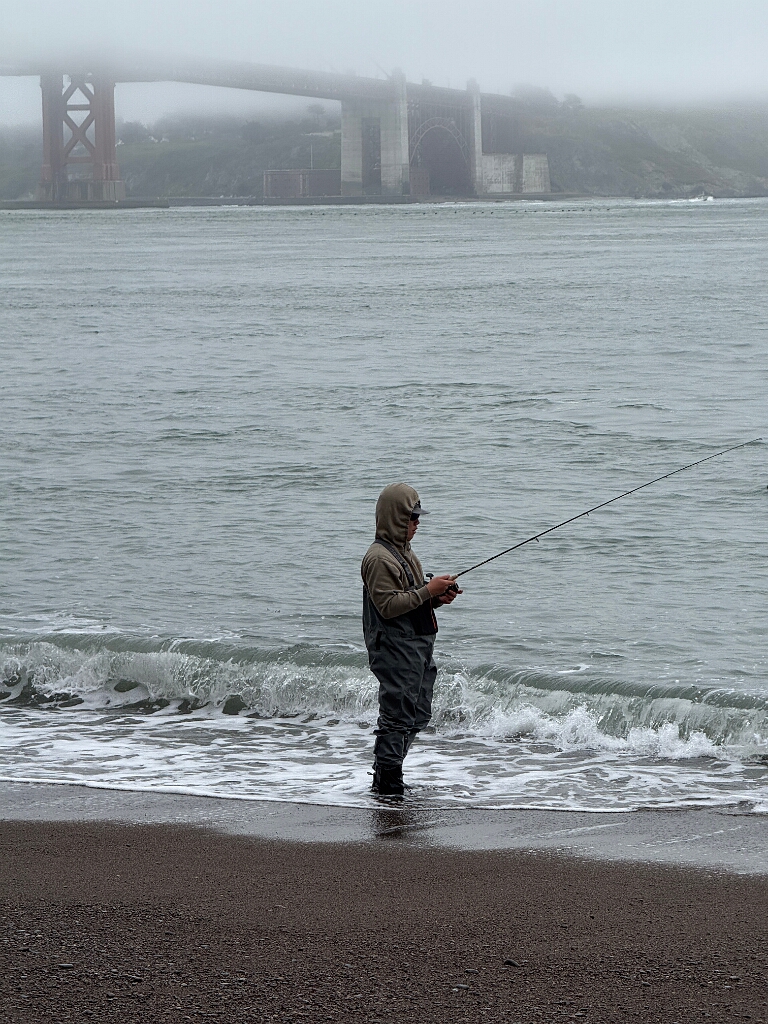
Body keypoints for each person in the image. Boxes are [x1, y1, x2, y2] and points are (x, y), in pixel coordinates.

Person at [361, 482, 462, 798]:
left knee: (418, 714)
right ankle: (387, 785)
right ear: (395, 518)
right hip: (394, 649)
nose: (417, 524)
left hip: (416, 647)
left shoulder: (404, 553)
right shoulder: (379, 558)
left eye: (418, 517)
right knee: (397, 717)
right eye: (412, 518)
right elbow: (388, 606)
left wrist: (436, 598)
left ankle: (386, 772)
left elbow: (410, 600)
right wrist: (428, 591)